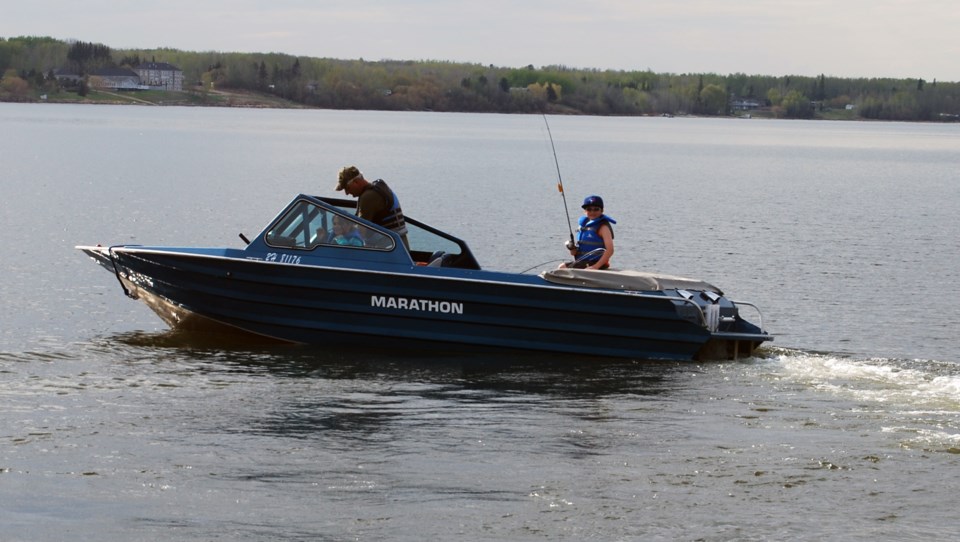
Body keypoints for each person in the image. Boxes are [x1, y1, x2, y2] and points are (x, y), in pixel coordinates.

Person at [335, 165, 410, 249]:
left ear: (356, 182)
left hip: (389, 249)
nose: (347, 193)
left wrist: (341, 238)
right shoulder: (378, 188)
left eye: (347, 188)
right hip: (400, 245)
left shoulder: (368, 197)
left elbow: (361, 231)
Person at [562, 195, 615, 270]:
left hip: (596, 264)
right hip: (583, 263)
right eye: (589, 209)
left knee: (562, 267)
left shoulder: (603, 228)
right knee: (562, 267)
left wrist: (595, 267)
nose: (592, 212)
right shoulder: (583, 226)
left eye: (596, 209)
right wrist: (572, 248)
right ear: (585, 211)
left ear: (602, 210)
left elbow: (610, 250)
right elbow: (573, 253)